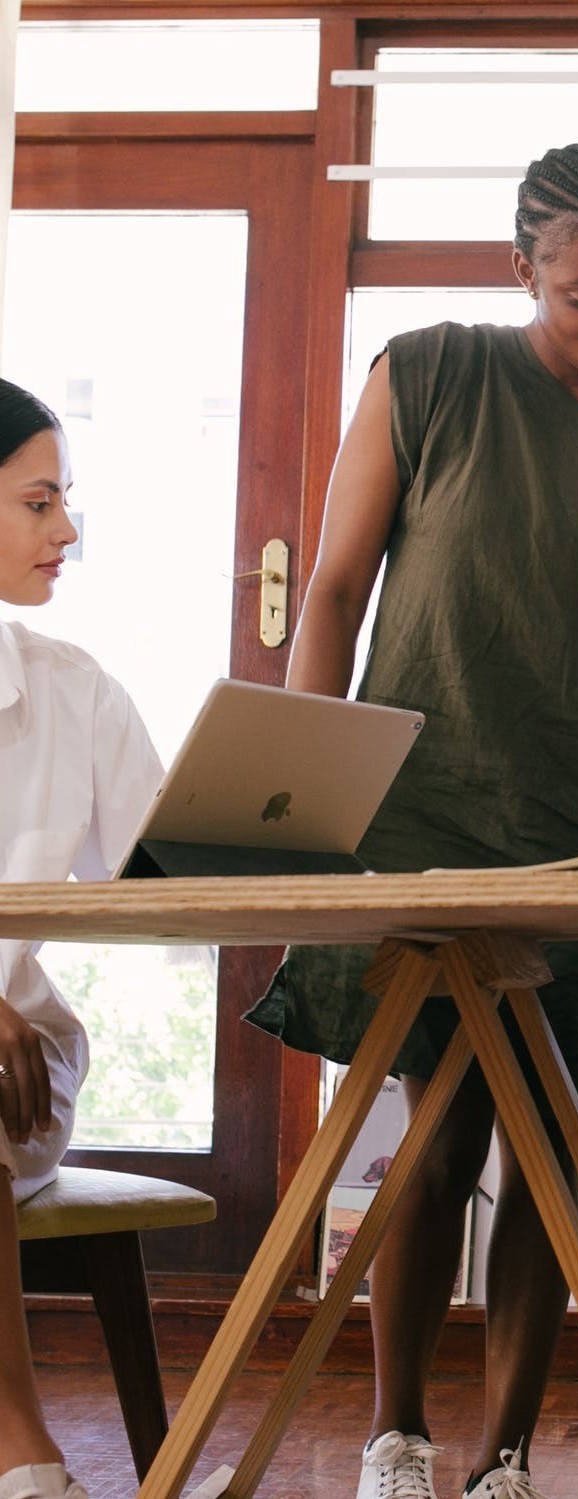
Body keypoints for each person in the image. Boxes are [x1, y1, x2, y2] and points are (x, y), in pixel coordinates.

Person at [245, 143, 578, 1499]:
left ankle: (506, 1452)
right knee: (439, 1123)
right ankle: (394, 1436)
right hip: (421, 809)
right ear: (522, 270)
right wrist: (298, 803)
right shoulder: (428, 371)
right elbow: (337, 589)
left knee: (547, 1133)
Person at [0, 382, 164, 1499]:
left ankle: (20, 1452)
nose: (67, 533)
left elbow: (166, 878)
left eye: (67, 503)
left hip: (15, 1069)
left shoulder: (74, 692)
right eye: (38, 502)